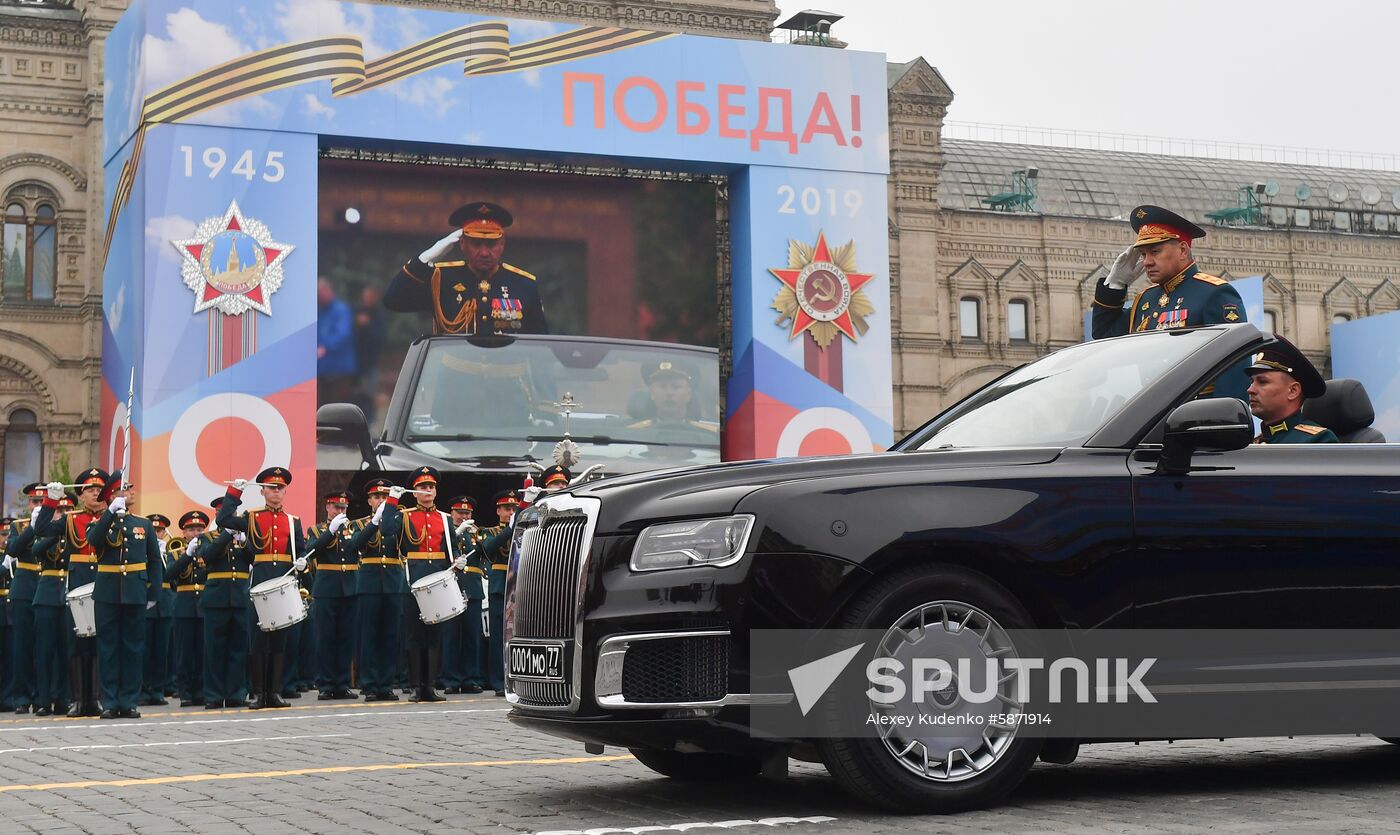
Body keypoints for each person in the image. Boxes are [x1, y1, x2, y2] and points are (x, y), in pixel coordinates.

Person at [217, 466, 308, 710]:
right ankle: (258, 693)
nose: (276, 492)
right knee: (258, 639)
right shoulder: (252, 516)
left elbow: (301, 549)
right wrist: (234, 492)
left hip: (283, 580)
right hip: (260, 579)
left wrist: (303, 561)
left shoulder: (293, 521)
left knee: (279, 639)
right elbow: (223, 519)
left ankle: (274, 692)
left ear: (285, 492)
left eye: (280, 488)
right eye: (271, 488)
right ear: (263, 492)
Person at [384, 202, 548, 336]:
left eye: (491, 244)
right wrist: (425, 259)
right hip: (456, 374)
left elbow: (540, 340)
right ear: (462, 244)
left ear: (502, 245)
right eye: (476, 244)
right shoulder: (441, 278)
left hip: (507, 373)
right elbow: (394, 300)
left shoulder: (523, 284)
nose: (484, 252)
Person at [77, 471, 161, 719]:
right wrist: (110, 512)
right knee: (109, 648)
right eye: (118, 492)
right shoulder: (99, 522)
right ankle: (111, 701)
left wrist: (154, 591)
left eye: (125, 491)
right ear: (109, 498)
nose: (125, 494)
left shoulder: (143, 524)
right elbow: (93, 540)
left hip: (135, 591)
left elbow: (154, 561)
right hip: (107, 592)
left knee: (133, 648)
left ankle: (129, 701)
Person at [379, 467, 454, 703]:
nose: (428, 490)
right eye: (422, 487)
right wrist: (392, 499)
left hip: (438, 578)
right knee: (414, 635)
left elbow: (452, 549)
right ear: (415, 492)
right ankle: (414, 687)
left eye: (431, 487)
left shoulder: (445, 518)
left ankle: (429, 687)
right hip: (413, 579)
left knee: (433, 635)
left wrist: (458, 562)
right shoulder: (404, 515)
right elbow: (386, 530)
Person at [32, 475, 104, 718]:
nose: (95, 493)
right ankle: (78, 700)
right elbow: (41, 529)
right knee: (77, 643)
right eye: (90, 490)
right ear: (81, 495)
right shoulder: (72, 520)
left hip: (104, 581)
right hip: (78, 583)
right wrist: (50, 501)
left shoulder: (111, 518)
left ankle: (95, 699)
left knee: (99, 643)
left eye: (99, 489)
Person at [174, 498, 252, 709]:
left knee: (237, 649)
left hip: (239, 596)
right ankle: (214, 694)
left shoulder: (244, 537)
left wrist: (245, 541)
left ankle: (236, 693)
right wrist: (226, 535)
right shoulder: (207, 537)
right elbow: (206, 557)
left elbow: (255, 557)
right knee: (214, 650)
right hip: (216, 598)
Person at [354, 478, 404, 702]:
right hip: (370, 582)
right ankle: (370, 684)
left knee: (390, 635)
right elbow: (354, 544)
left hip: (393, 581)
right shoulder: (360, 524)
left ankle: (386, 684)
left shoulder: (397, 522)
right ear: (369, 501)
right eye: (377, 497)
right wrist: (374, 522)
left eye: (385, 497)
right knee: (369, 635)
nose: (381, 501)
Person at [305, 491, 357, 700]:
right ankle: (325, 684)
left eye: (344, 508)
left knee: (346, 638)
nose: (340, 511)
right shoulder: (317, 530)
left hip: (350, 587)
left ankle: (342, 683)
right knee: (325, 638)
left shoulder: (354, 529)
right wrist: (330, 532)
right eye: (336, 507)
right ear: (327, 508)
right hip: (327, 588)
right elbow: (311, 550)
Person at [1245, 336, 1339, 444]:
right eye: (1252, 382)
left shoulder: (1316, 441)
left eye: (1262, 382)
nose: (1250, 389)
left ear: (1293, 391)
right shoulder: (1256, 441)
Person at [5, 483, 44, 712]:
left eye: (42, 502)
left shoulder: (56, 525)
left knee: (44, 646)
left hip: (47, 586)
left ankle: (41, 696)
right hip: (25, 588)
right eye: (35, 502)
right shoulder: (18, 526)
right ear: (29, 504)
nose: (38, 506)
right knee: (22, 646)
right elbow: (14, 549)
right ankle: (21, 697)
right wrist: (32, 527)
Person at [165, 510, 209, 706]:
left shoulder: (210, 550)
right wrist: (188, 554)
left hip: (205, 605)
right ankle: (185, 692)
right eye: (191, 529)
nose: (196, 533)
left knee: (203, 651)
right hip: (184, 604)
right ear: (184, 532)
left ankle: (200, 690)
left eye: (200, 529)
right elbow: (169, 574)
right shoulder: (176, 552)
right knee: (184, 652)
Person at [442, 496, 484, 695]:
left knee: (471, 636)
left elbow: (488, 551)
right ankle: (450, 679)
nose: (463, 516)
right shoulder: (447, 530)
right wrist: (457, 533)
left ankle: (470, 678)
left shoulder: (476, 533)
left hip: (472, 587)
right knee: (451, 636)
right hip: (452, 586)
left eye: (467, 513)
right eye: (460, 512)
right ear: (452, 513)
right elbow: (443, 550)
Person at [479, 489, 519, 696]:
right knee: (498, 635)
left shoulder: (524, 530)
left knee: (518, 634)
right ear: (498, 511)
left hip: (520, 583)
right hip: (500, 584)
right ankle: (498, 681)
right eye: (506, 509)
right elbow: (489, 548)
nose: (511, 512)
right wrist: (509, 528)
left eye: (514, 508)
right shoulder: (490, 531)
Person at [140, 513, 176, 706]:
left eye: (159, 530)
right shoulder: (140, 549)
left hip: (165, 603)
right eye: (152, 530)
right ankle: (143, 690)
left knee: (162, 651)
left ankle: (158, 690)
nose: (156, 533)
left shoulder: (170, 551)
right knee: (144, 650)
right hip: (146, 600)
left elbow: (173, 575)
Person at [318, 277, 358, 405]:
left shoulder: (341, 310)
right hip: (322, 369)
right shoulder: (319, 311)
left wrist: (325, 347)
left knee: (338, 405)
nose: (320, 297)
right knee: (323, 405)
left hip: (340, 369)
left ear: (328, 290)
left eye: (321, 293)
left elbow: (343, 334)